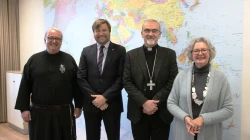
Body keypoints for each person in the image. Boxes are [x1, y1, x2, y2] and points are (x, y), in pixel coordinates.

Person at [15, 28, 83, 140]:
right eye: (51, 38)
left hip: (64, 113)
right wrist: (24, 109)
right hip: (39, 113)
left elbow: (77, 85)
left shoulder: (69, 60)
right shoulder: (34, 60)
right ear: (45, 40)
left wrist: (79, 105)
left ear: (61, 41)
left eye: (58, 38)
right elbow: (25, 86)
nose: (54, 41)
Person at [167, 37, 234, 140]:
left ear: (210, 53)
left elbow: (228, 109)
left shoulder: (221, 79)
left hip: (210, 134)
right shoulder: (181, 77)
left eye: (204, 50)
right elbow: (171, 103)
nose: (200, 53)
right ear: (191, 54)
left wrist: (203, 119)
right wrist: (186, 118)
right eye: (196, 50)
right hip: (183, 133)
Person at [123, 19, 178, 140]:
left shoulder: (169, 54)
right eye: (147, 30)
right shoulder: (130, 55)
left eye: (154, 30)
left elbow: (173, 80)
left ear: (159, 34)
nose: (150, 33)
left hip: (161, 112)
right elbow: (126, 81)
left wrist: (154, 102)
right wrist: (144, 102)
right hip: (138, 112)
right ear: (142, 33)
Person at [77, 19, 126, 140]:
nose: (101, 33)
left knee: (113, 136)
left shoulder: (120, 51)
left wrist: (104, 97)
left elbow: (122, 77)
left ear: (109, 31)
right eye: (97, 30)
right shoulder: (86, 51)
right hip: (91, 104)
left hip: (112, 103)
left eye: (104, 30)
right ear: (93, 32)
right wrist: (95, 98)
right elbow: (81, 77)